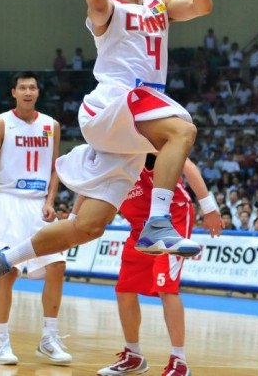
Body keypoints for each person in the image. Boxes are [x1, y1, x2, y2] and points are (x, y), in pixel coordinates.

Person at [0, 0, 212, 304]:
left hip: (133, 129)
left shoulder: (160, 5)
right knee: (183, 130)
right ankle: (159, 222)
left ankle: (1, 258)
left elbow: (201, 6)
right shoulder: (108, 9)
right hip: (114, 104)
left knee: (88, 226)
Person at [0, 71, 72, 365]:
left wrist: (50, 200)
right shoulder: (1, 123)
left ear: (38, 92)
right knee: (7, 272)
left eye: (32, 87)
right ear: (14, 93)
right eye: (23, 88)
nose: (28, 92)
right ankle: (1, 341)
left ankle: (49, 338)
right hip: (7, 201)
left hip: (38, 206)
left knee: (57, 266)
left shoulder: (51, 125)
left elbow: (56, 167)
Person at [97, 156, 222, 376]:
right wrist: (75, 219)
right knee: (124, 290)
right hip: (140, 226)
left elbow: (187, 165)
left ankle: (180, 362)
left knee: (166, 287)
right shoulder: (104, 153)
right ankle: (134, 356)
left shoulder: (144, 140)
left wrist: (208, 207)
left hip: (172, 219)